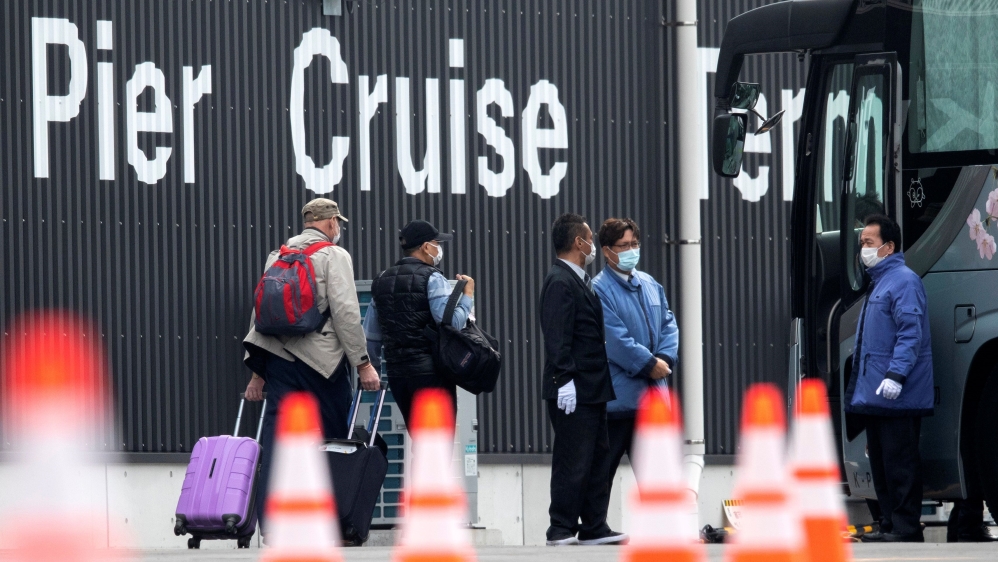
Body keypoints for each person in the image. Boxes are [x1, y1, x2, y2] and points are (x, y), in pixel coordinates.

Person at [242, 198, 380, 534]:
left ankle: (272, 523)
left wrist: (258, 372)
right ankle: (328, 519)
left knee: (278, 440)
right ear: (331, 222)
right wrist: (362, 364)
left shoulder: (277, 256)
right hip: (321, 364)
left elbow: (260, 314)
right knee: (331, 441)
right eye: (338, 223)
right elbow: (346, 313)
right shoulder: (334, 255)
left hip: (278, 362)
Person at [845, 214, 934, 543]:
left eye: (869, 243)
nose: (863, 249)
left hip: (899, 393)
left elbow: (910, 335)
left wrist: (896, 375)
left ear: (889, 247)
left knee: (900, 463)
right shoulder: (881, 282)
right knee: (882, 463)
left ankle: (905, 527)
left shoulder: (904, 281)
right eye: (862, 243)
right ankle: (889, 524)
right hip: (877, 393)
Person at [539, 213, 627, 547]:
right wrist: (564, 379)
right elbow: (557, 337)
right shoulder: (560, 281)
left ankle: (594, 526)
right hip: (573, 389)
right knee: (572, 460)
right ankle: (560, 528)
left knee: (597, 459)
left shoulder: (577, 280)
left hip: (592, 388)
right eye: (590, 239)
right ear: (579, 242)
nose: (593, 245)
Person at [591, 218, 678, 492]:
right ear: (607, 251)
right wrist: (649, 364)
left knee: (658, 482)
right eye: (624, 245)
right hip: (619, 403)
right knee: (600, 479)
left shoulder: (650, 284)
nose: (631, 250)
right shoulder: (599, 289)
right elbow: (615, 339)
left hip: (652, 402)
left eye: (634, 244)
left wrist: (665, 358)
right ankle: (594, 520)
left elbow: (669, 324)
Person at [362, 219, 474, 427]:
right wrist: (467, 295)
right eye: (436, 243)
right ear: (425, 247)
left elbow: (371, 336)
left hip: (398, 375)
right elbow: (451, 323)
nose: (438, 248)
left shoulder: (381, 280)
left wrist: (373, 368)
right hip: (431, 375)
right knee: (437, 440)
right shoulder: (432, 278)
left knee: (419, 436)